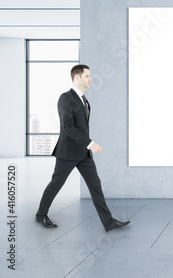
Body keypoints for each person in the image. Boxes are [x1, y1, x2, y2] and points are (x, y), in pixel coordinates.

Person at [36, 64, 130, 232]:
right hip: (68, 152)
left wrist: (87, 146)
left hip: (83, 154)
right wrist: (90, 143)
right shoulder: (65, 98)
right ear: (77, 77)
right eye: (87, 76)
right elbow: (68, 127)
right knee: (57, 183)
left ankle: (108, 222)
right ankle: (41, 214)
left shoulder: (84, 99)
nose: (90, 79)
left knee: (96, 186)